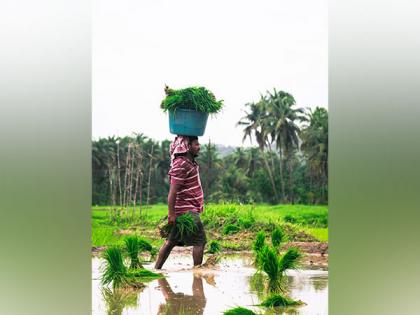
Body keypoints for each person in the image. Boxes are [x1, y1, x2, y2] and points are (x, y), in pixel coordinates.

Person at [154, 135, 207, 269]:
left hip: (185, 210)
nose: (199, 147)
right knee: (200, 241)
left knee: (170, 242)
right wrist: (171, 214)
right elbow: (172, 192)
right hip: (186, 211)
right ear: (187, 147)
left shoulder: (189, 163)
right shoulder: (181, 164)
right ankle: (197, 272)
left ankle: (157, 270)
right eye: (196, 144)